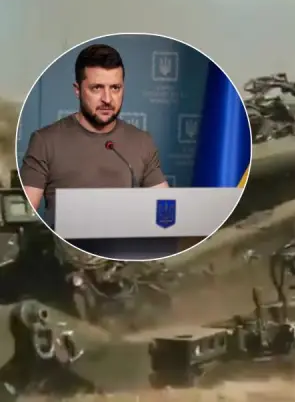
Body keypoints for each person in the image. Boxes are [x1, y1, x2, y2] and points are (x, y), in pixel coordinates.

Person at [19, 44, 199, 259]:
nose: (107, 98)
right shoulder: (45, 141)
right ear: (77, 90)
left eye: (115, 88)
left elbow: (166, 211)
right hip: (66, 262)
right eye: (97, 88)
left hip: (128, 262)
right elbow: (24, 215)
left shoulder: (141, 141)